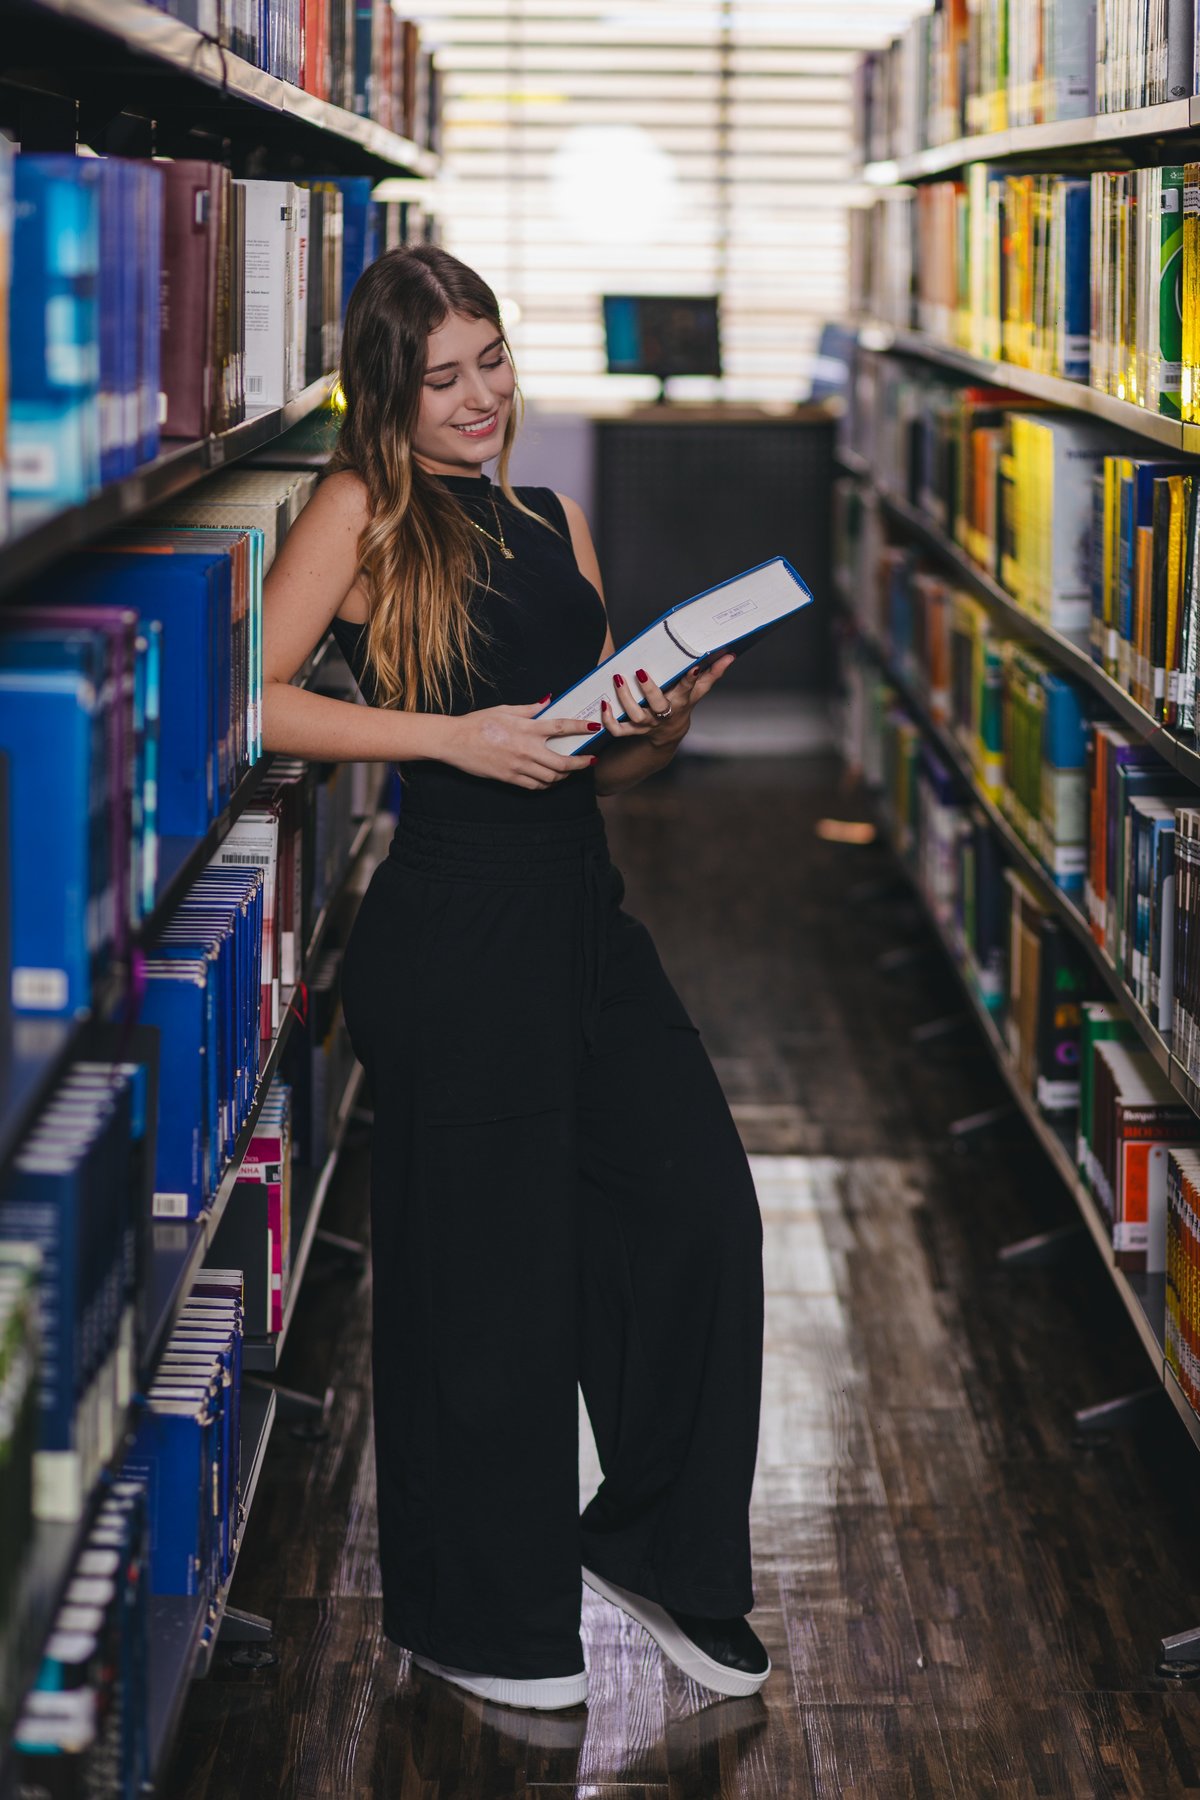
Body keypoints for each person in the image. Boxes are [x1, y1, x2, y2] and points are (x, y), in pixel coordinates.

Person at [261, 244, 768, 1712]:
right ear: (388, 393)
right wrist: (447, 738)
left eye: (492, 362)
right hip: (455, 924)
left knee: (697, 1213)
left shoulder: (557, 517)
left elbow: (597, 741)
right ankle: (470, 1612)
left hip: (582, 913)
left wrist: (659, 712)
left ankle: (664, 1553)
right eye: (443, 378)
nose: (481, 399)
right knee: (485, 1292)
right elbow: (252, 697)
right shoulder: (361, 513)